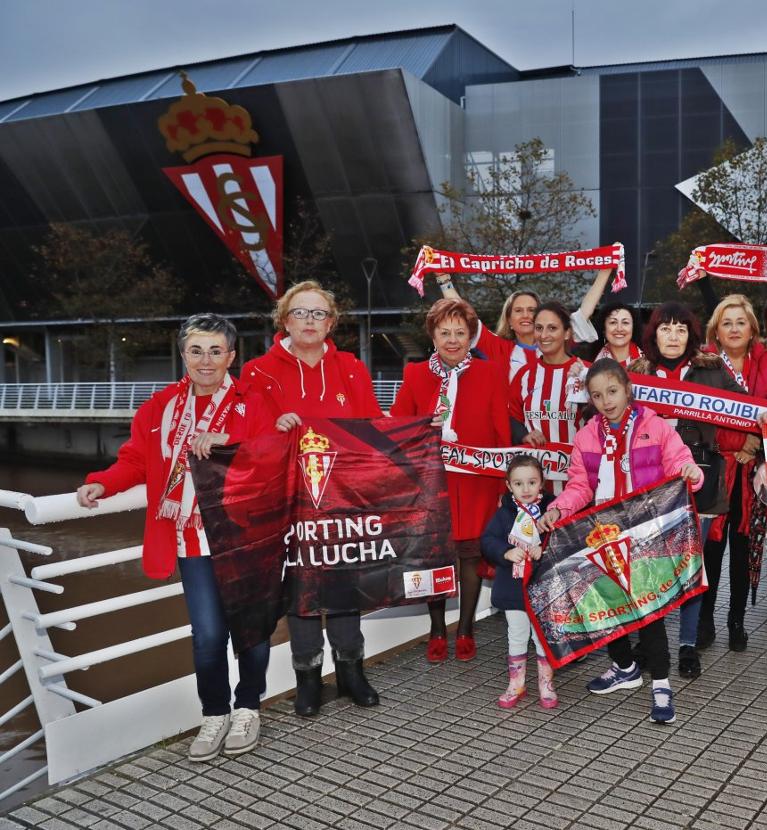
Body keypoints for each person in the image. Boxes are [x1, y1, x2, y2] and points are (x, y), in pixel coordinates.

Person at [78, 314, 276, 762]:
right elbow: (136, 462)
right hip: (192, 540)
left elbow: (276, 456)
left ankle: (248, 707)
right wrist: (103, 483)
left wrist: (229, 441)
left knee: (252, 629)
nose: (205, 361)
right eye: (196, 350)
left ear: (231, 356)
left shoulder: (254, 401)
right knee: (208, 635)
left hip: (247, 537)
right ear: (183, 355)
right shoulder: (159, 407)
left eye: (215, 351)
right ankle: (214, 713)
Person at [241, 280, 382, 717]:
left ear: (331, 323)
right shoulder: (257, 372)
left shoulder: (352, 369)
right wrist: (272, 427)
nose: (310, 321)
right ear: (284, 319)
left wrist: (417, 431)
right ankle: (307, 677)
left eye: (319, 314)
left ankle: (350, 672)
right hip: (288, 502)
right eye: (300, 312)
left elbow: (373, 429)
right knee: (301, 589)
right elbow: (247, 438)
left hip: (341, 498)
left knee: (342, 585)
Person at [536, 359, 703, 723]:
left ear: (627, 389)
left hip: (645, 534)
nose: (606, 401)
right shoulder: (586, 436)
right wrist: (559, 509)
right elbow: (580, 485)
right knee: (610, 606)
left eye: (612, 391)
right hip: (602, 534)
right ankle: (625, 667)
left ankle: (660, 683)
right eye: (597, 395)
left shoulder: (654, 426)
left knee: (649, 612)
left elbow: (679, 461)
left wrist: (690, 472)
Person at [628, 301, 746, 678]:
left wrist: (766, 420)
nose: (673, 336)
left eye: (681, 329)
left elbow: (744, 410)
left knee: (692, 567)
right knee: (652, 566)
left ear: (691, 335)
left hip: (702, 477)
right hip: (649, 483)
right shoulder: (635, 373)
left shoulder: (713, 370)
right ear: (654, 334)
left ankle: (688, 644)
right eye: (666, 328)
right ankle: (651, 642)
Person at [391, 299, 509, 663]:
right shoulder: (415, 374)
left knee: (470, 556)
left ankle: (467, 628)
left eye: (460, 332)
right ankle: (437, 627)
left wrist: (506, 474)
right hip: (432, 484)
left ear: (471, 336)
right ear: (433, 335)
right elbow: (399, 425)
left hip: (477, 482)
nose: (453, 340)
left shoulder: (491, 374)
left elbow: (501, 428)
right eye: (445, 333)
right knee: (435, 556)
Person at [698, 295, 767, 653]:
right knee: (710, 548)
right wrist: (730, 445)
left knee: (744, 548)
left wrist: (754, 443)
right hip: (714, 469)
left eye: (741, 321)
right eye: (727, 323)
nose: (734, 328)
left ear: (753, 327)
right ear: (717, 331)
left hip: (751, 474)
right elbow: (693, 415)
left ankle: (736, 620)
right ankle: (705, 619)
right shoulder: (704, 365)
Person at [431, 267, 614, 380]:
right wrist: (443, 279)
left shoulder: (556, 340)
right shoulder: (499, 348)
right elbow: (466, 315)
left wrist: (605, 271)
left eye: (532, 310)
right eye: (518, 311)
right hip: (513, 433)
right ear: (509, 320)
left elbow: (585, 312)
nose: (526, 315)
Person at [480, 455, 558, 708]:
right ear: (508, 485)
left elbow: (565, 539)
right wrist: (505, 552)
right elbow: (488, 540)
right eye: (518, 483)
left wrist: (544, 549)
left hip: (543, 587)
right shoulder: (504, 514)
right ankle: (517, 683)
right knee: (516, 634)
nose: (525, 489)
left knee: (541, 636)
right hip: (513, 588)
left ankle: (546, 684)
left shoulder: (552, 511)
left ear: (542, 483)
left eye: (532, 482)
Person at [509, 302, 593, 488]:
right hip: (533, 488)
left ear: (567, 333)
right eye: (539, 328)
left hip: (578, 484)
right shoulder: (525, 374)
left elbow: (602, 421)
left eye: (552, 328)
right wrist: (523, 434)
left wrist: (583, 388)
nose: (544, 335)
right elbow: (511, 418)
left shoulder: (588, 373)